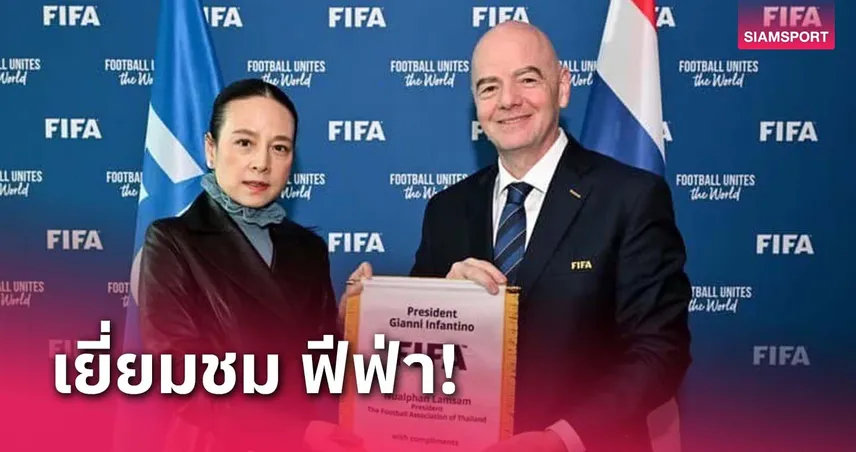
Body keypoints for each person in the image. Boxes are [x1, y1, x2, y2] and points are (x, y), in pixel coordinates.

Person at [342, 21, 692, 452]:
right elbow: (417, 362)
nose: (508, 100)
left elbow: (660, 351)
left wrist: (562, 439)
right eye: (489, 87)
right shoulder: (446, 210)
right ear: (476, 104)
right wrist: (381, 316)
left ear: (563, 87)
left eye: (527, 79)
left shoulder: (630, 197)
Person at [138, 78, 366, 452]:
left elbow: (321, 372)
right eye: (245, 143)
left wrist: (348, 321)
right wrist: (295, 432)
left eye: (279, 147)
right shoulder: (172, 242)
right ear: (211, 149)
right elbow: (178, 378)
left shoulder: (308, 249)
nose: (262, 163)